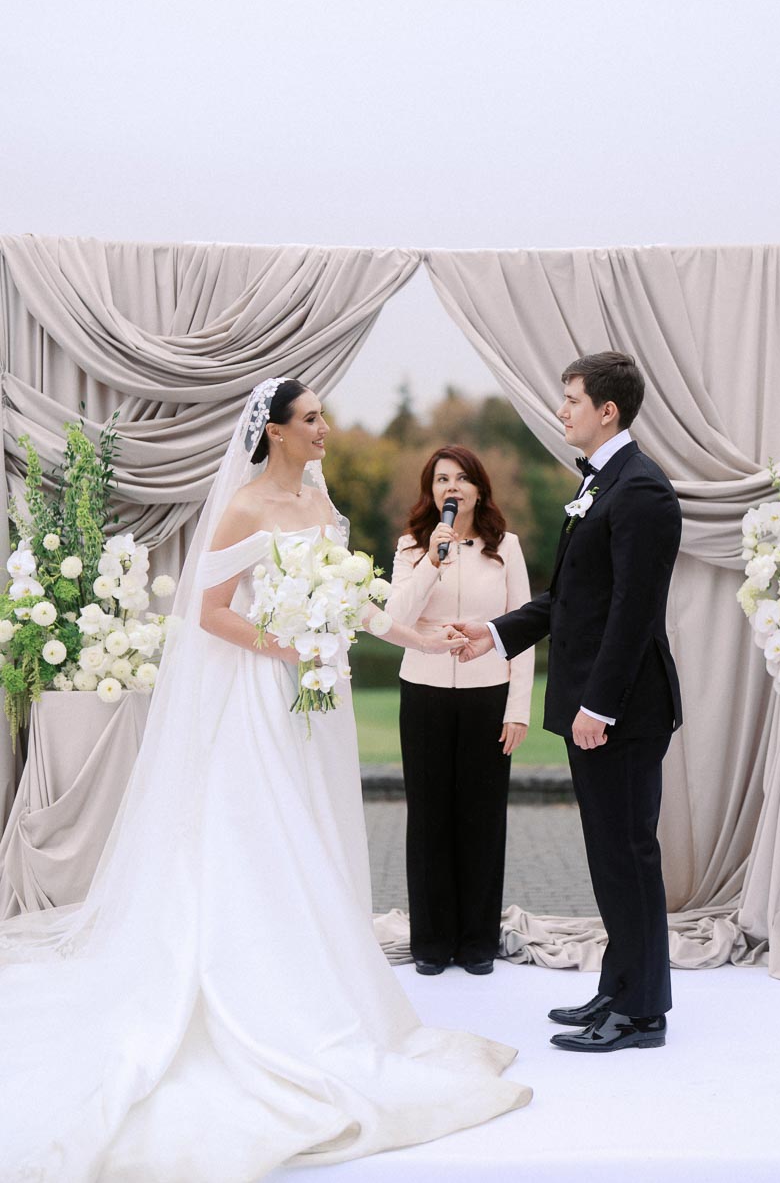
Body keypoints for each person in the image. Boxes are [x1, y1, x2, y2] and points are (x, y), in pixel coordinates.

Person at [0, 378, 530, 1180]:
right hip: (260, 691)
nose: (325, 429)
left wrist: (425, 637)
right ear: (276, 431)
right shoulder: (245, 506)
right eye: (312, 419)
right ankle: (254, 992)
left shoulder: (320, 503)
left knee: (312, 829)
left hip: (319, 697)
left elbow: (352, 602)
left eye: (323, 417)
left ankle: (320, 989)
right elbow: (210, 611)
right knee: (261, 829)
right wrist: (286, 645)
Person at [455, 352, 682, 1054]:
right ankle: (620, 988)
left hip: (624, 711)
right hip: (599, 706)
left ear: (607, 411)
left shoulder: (640, 492)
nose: (562, 410)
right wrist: (493, 633)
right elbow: (569, 600)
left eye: (571, 399)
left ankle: (642, 1015)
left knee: (629, 855)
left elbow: (632, 613)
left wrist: (600, 707)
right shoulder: (601, 487)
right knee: (611, 856)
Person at [387, 446, 534, 977]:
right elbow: (395, 616)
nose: (451, 487)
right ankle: (431, 942)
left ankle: (477, 942)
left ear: (478, 489)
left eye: (461, 478)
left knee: (481, 817)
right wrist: (432, 558)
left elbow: (522, 631)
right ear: (431, 491)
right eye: (441, 479)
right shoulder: (411, 547)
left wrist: (517, 709)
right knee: (428, 818)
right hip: (423, 690)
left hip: (487, 694)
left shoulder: (505, 548)